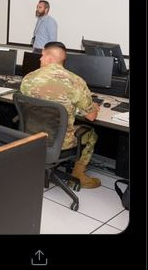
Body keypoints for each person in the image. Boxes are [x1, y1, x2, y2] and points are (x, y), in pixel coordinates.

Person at [20, 41, 101, 189]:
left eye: (42, 55)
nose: (40, 59)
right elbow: (91, 117)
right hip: (61, 142)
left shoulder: (28, 78)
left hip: (32, 137)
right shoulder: (76, 82)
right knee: (92, 134)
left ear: (50, 58)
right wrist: (94, 107)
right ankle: (78, 175)